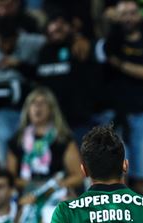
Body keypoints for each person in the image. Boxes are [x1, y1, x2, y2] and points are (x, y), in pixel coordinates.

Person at [101, 0, 143, 196]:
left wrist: (120, 65)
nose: (128, 18)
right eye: (123, 14)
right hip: (114, 118)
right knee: (117, 176)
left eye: (132, 13)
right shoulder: (112, 40)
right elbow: (103, 46)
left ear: (140, 15)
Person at [0, 15, 45, 147]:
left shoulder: (31, 42)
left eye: (10, 41)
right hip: (2, 106)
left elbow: (49, 44)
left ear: (17, 36)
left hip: (31, 100)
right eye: (2, 41)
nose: (6, 46)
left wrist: (19, 64)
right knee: (4, 135)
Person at [33, 7, 100, 142]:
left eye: (62, 23)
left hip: (80, 123)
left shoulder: (79, 47)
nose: (57, 26)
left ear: (71, 28)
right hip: (51, 124)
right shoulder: (43, 52)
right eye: (53, 23)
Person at [6, 86, 83, 192]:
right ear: (27, 109)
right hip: (25, 194)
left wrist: (53, 187)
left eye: (43, 103)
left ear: (52, 109)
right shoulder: (17, 140)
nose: (37, 107)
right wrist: (34, 186)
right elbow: (9, 178)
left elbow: (78, 176)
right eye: (33, 103)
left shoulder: (63, 140)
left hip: (55, 193)